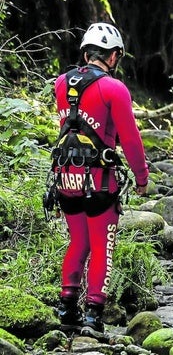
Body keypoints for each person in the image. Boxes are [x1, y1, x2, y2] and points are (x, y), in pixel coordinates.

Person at [51, 22, 149, 333]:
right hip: (99, 180)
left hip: (65, 176)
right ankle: (93, 313)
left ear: (85, 52)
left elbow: (70, 126)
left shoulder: (61, 83)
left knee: (78, 240)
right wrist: (142, 177)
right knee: (102, 245)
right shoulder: (113, 88)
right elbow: (130, 139)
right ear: (114, 55)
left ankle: (67, 307)